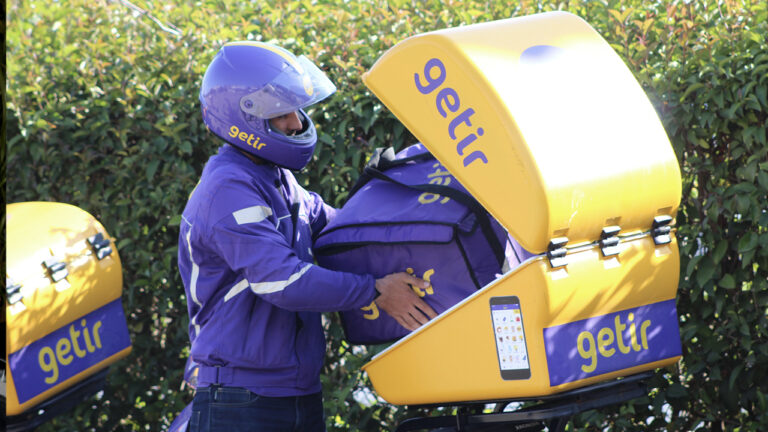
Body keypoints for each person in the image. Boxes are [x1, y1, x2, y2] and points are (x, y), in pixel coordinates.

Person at [177, 41, 437, 432]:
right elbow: (283, 281)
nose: (297, 123)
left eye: (296, 110)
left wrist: (423, 213)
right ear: (242, 117)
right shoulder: (228, 191)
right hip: (241, 402)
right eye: (282, 114)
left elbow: (341, 230)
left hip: (295, 393)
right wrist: (376, 289)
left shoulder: (277, 179)